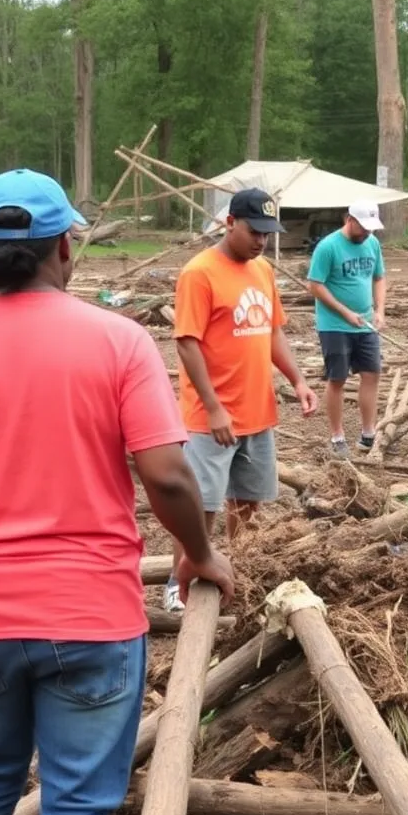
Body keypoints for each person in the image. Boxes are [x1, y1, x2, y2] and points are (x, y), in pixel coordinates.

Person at [0, 168, 235, 815]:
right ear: (67, 248)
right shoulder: (118, 342)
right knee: (78, 810)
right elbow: (168, 475)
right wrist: (197, 551)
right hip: (90, 615)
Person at [165, 187, 318, 612]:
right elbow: (187, 343)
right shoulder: (200, 273)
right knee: (201, 507)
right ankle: (178, 585)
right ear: (230, 222)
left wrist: (298, 379)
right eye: (254, 231)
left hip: (256, 410)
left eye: (268, 233)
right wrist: (213, 407)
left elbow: (272, 332)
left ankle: (241, 571)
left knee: (247, 503)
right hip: (209, 416)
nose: (261, 241)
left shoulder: (262, 271)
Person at [307, 200, 387, 457]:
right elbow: (316, 285)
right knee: (337, 378)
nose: (366, 233)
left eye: (371, 229)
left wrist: (379, 310)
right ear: (349, 220)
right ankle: (337, 435)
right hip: (335, 325)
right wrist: (345, 312)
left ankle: (368, 432)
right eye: (363, 227)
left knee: (371, 374)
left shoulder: (372, 244)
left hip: (365, 323)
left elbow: (379, 277)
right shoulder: (328, 247)